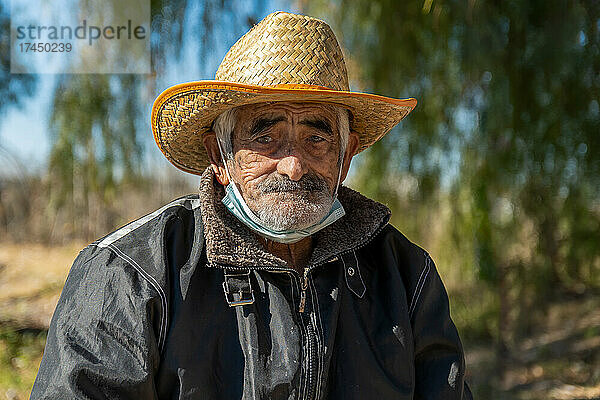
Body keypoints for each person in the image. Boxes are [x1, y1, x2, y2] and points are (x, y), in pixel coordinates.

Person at [31, 11, 472, 400]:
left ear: (346, 157)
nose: (294, 165)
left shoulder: (407, 277)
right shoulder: (132, 274)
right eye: (265, 136)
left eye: (317, 138)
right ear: (219, 157)